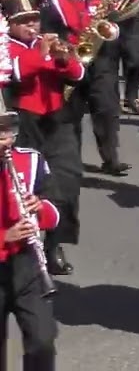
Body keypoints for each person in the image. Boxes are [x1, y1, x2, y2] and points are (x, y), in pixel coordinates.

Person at [5, 0, 83, 278]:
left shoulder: (46, 43)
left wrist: (65, 59)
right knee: (28, 187)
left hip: (57, 120)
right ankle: (27, 245)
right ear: (10, 24)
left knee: (68, 182)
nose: (32, 26)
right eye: (24, 21)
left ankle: (55, 243)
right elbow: (16, 71)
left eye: (35, 20)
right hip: (23, 121)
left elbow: (77, 74)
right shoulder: (6, 46)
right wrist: (41, 54)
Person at [44, 0, 130, 182]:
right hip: (71, 65)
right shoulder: (55, 3)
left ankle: (110, 159)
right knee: (71, 116)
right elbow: (49, 34)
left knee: (106, 110)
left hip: (102, 64)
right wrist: (67, 50)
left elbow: (115, 27)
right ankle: (73, 161)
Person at [0, 109, 60, 371]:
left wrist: (40, 208)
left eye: (8, 130)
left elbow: (56, 212)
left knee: (43, 342)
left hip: (28, 265)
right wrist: (5, 237)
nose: (6, 139)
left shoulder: (31, 160)